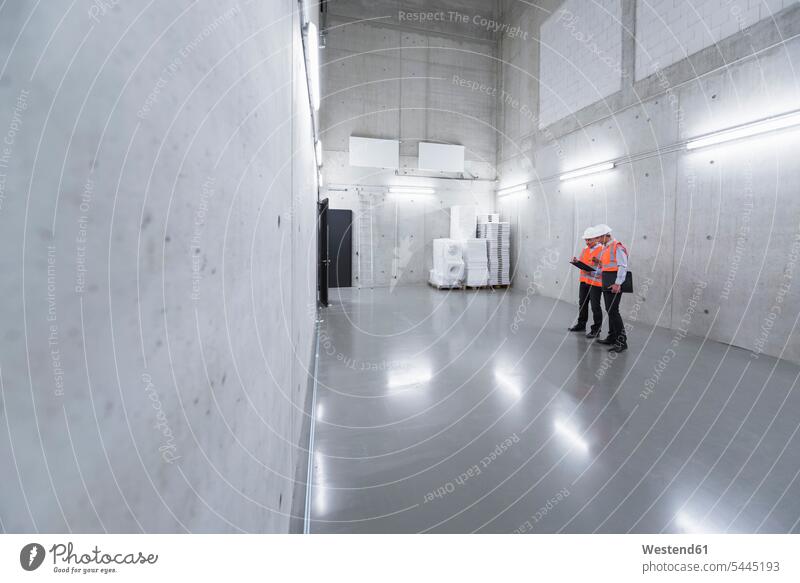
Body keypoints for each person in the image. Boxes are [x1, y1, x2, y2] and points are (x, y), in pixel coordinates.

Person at [593, 224, 628, 353]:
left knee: (613, 311)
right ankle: (612, 337)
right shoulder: (606, 248)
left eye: (598, 238)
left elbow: (623, 265)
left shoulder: (617, 246)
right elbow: (608, 265)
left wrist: (618, 283)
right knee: (610, 309)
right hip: (608, 281)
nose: (597, 240)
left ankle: (621, 341)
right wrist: (599, 263)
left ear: (605, 236)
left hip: (615, 283)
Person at [568, 227, 603, 338]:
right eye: (586, 240)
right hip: (584, 281)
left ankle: (596, 330)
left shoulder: (602, 250)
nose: (587, 242)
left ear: (596, 239)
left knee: (595, 306)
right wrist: (577, 262)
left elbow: (605, 267)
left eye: (589, 240)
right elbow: (583, 262)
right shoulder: (585, 250)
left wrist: (594, 271)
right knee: (582, 303)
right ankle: (581, 324)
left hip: (596, 282)